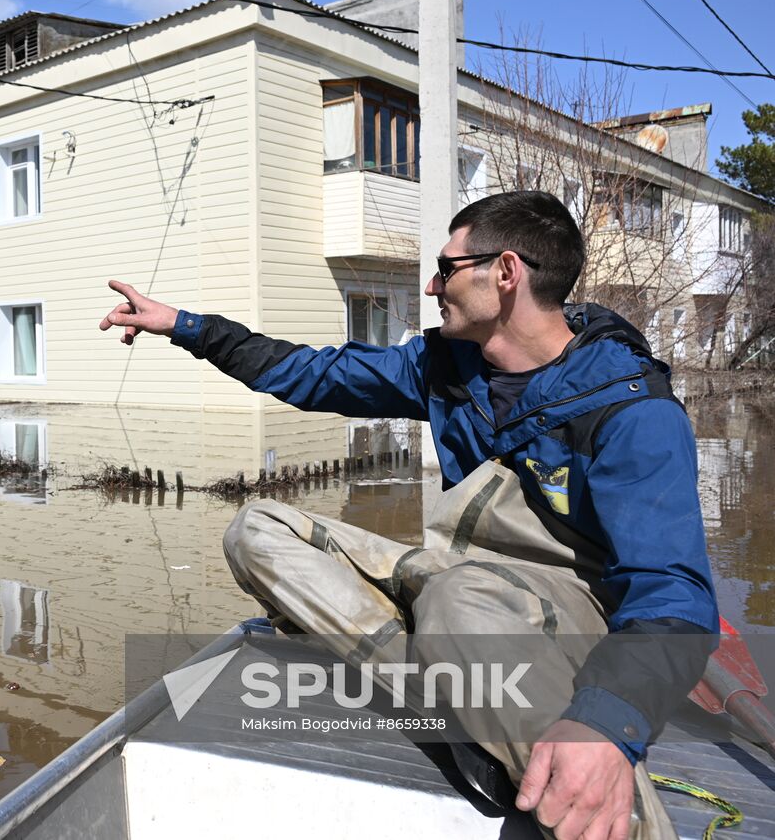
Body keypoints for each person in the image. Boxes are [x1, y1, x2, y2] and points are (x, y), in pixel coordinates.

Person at [98, 191, 717, 840]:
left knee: (458, 603)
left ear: (505, 274)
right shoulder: (447, 368)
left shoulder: (631, 409)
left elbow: (673, 595)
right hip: (457, 578)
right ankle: (459, 701)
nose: (430, 285)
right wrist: (188, 328)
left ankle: (616, 816)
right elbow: (311, 374)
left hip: (561, 610)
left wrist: (606, 723)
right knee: (257, 531)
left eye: (447, 268)